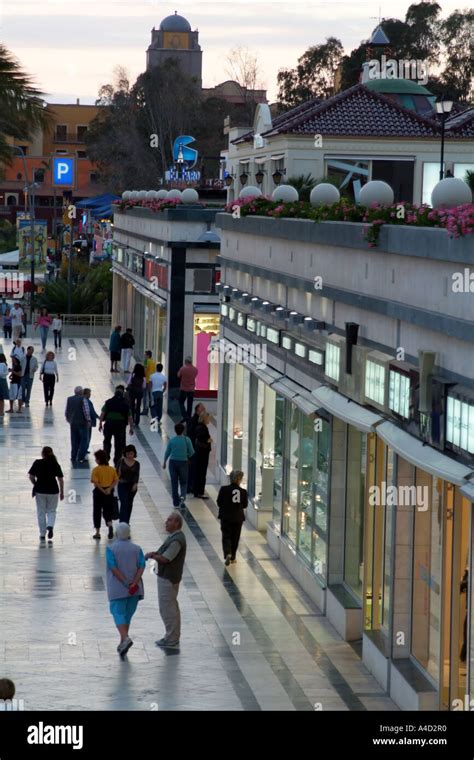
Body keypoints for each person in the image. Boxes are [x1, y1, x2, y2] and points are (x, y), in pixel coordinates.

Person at [145, 511, 187, 650]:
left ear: (177, 523)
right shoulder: (174, 537)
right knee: (170, 607)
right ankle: (172, 636)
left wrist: (153, 556)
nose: (166, 522)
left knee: (168, 608)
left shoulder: (176, 540)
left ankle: (171, 638)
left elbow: (166, 558)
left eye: (169, 520)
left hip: (168, 578)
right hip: (168, 577)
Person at [106, 522, 145, 657]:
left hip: (118, 589)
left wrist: (125, 582)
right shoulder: (137, 549)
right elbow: (142, 566)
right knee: (127, 615)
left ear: (116, 534)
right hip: (134, 590)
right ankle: (123, 642)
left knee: (118, 613)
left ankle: (125, 638)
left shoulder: (111, 549)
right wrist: (134, 583)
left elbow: (113, 567)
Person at [28, 446, 64, 542]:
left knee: (41, 512)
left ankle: (42, 533)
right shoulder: (55, 464)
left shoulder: (37, 463)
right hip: (53, 490)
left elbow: (31, 476)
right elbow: (60, 479)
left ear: (42, 454)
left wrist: (35, 484)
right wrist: (62, 492)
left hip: (40, 490)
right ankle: (50, 526)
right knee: (52, 511)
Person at [217, 471, 248, 566]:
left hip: (226, 517)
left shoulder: (223, 489)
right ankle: (233, 556)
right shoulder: (243, 492)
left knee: (226, 535)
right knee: (235, 537)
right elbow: (245, 505)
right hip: (238, 518)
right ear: (239, 480)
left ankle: (227, 553)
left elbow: (219, 502)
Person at [99, 386, 134, 467]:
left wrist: (100, 423)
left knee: (107, 441)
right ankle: (117, 460)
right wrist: (131, 428)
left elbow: (102, 413)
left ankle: (106, 457)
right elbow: (130, 417)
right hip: (120, 425)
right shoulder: (125, 404)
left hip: (109, 424)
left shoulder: (108, 402)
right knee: (118, 444)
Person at [163, 423, 194, 509]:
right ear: (183, 430)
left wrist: (164, 462)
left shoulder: (172, 440)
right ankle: (182, 499)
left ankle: (175, 502)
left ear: (175, 430)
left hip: (173, 463)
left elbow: (167, 452)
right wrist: (186, 455)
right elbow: (191, 452)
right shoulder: (187, 440)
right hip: (183, 463)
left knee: (174, 482)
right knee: (183, 482)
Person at [91, 449, 118, 540]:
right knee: (108, 510)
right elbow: (116, 480)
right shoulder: (111, 469)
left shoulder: (96, 470)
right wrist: (109, 489)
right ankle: (109, 525)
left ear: (98, 460)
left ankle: (97, 532)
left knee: (97, 511)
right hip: (109, 492)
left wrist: (102, 490)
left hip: (99, 492)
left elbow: (95, 482)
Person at [65, 386, 92, 463]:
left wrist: (68, 419)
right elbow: (86, 411)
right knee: (84, 440)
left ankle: (73, 456)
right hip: (82, 423)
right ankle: (81, 457)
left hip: (73, 423)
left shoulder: (69, 399)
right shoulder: (83, 399)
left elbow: (67, 410)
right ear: (81, 392)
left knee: (74, 440)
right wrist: (89, 420)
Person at [117, 445, 140, 524]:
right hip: (122, 484)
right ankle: (122, 522)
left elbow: (137, 474)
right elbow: (116, 473)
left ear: (134, 454)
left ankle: (127, 521)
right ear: (125, 454)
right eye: (128, 453)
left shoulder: (137, 464)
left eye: (131, 453)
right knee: (124, 503)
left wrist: (135, 484)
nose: (130, 455)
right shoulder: (121, 461)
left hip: (132, 486)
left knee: (129, 504)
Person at [186, 402, 206, 494]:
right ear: (198, 410)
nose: (204, 410)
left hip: (193, 448)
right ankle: (191, 486)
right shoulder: (195, 421)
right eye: (202, 409)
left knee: (192, 469)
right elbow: (191, 434)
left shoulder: (195, 420)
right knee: (193, 469)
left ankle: (190, 486)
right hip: (194, 449)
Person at [193, 412, 212, 499]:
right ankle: (200, 491)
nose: (209, 420)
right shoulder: (202, 427)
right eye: (208, 418)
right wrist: (207, 441)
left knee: (199, 472)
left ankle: (198, 491)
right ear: (204, 418)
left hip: (201, 453)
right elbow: (201, 437)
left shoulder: (201, 427)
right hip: (202, 454)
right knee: (201, 472)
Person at [177, 356, 198, 421]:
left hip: (183, 389)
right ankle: (188, 417)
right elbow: (195, 375)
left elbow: (178, 375)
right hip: (191, 389)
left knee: (181, 402)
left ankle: (185, 415)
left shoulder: (183, 369)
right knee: (190, 404)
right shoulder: (195, 369)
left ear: (186, 361)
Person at [83, 388, 99, 452]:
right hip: (88, 422)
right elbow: (91, 411)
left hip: (82, 422)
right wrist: (98, 417)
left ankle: (83, 448)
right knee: (87, 436)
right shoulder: (87, 401)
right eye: (89, 393)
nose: (90, 395)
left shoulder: (81, 400)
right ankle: (85, 448)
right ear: (87, 394)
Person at [142, 350, 154, 415]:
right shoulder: (153, 361)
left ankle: (145, 409)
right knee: (150, 395)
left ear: (148, 355)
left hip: (147, 380)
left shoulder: (146, 361)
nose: (144, 356)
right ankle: (151, 408)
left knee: (145, 395)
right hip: (152, 380)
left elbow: (145, 370)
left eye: (145, 355)